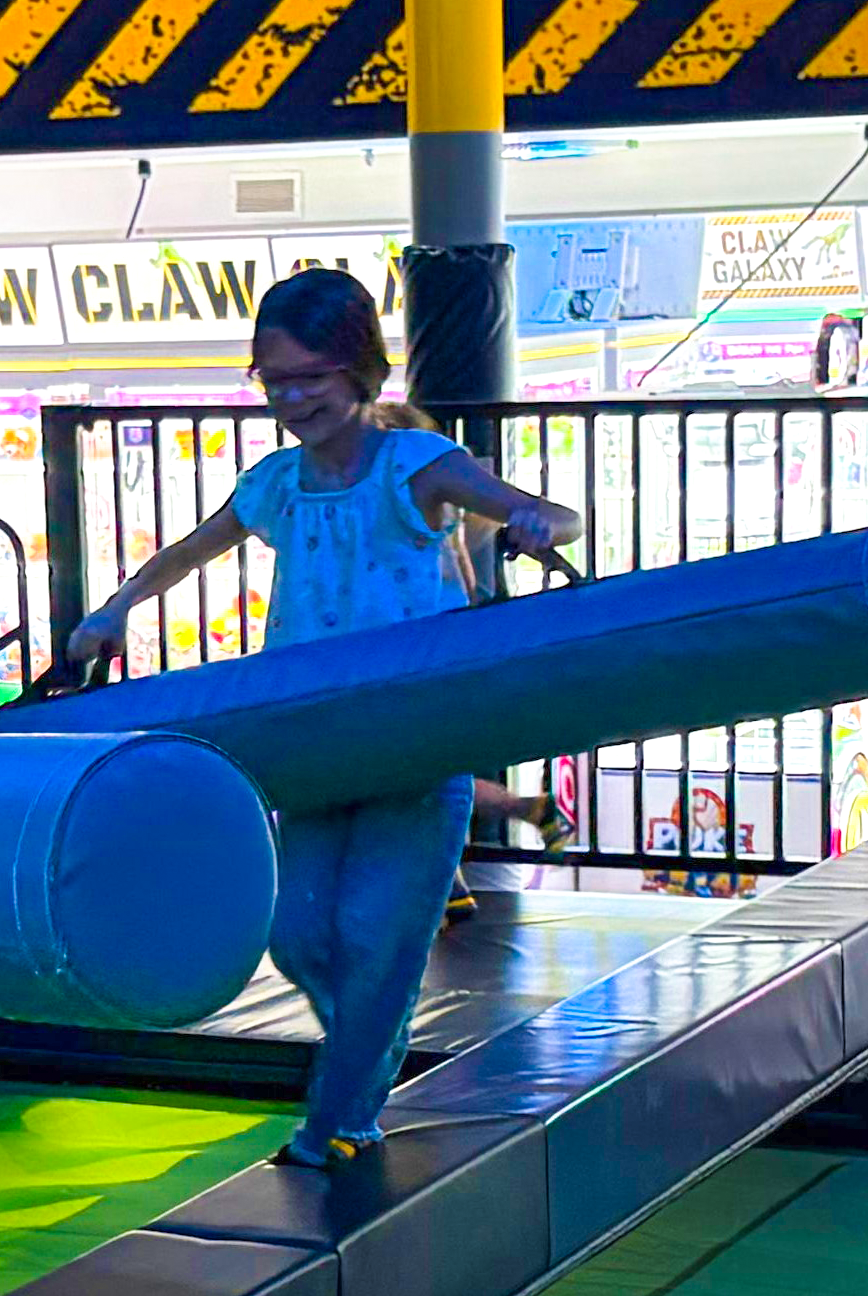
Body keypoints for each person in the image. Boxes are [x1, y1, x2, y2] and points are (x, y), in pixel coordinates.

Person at [66, 269, 582, 1168]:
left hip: (418, 745)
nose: (294, 398)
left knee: (378, 937)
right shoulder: (275, 485)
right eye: (275, 380)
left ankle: (335, 1121)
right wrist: (115, 609)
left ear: (360, 372)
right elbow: (187, 552)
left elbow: (551, 513)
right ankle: (367, 1050)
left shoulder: (415, 467)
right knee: (298, 932)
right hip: (312, 744)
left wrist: (539, 524)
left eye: (312, 376)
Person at [366, 401, 573, 927]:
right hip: (432, 644)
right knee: (418, 769)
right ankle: (493, 838)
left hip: (426, 648)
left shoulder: (419, 497)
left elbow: (447, 570)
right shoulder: (424, 507)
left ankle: (460, 862)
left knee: (411, 770)